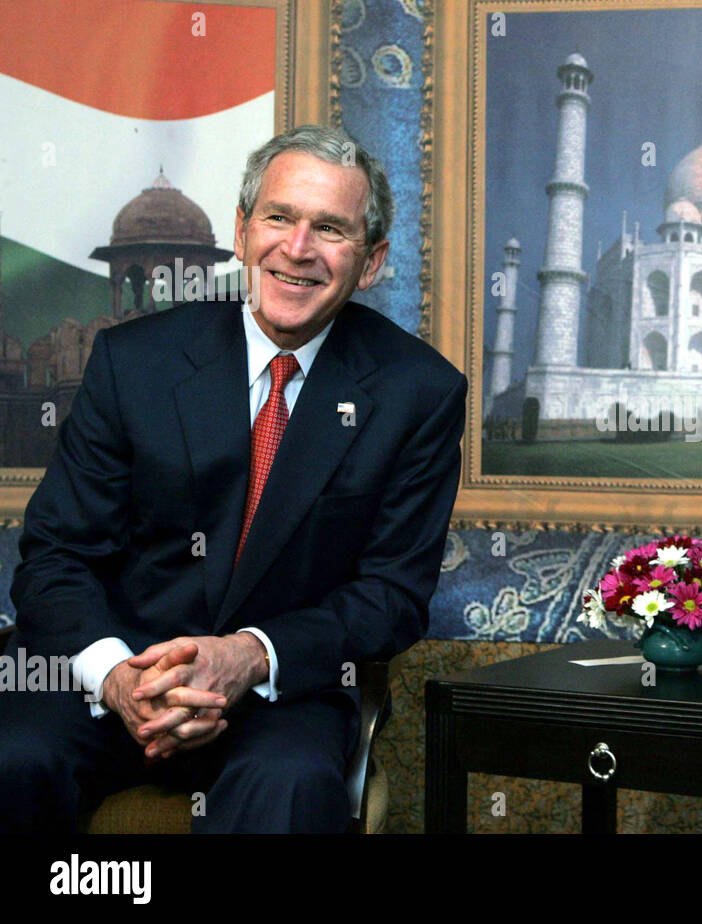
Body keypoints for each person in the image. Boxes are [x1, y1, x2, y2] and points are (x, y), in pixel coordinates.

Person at [0, 125, 468, 833]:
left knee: (291, 788)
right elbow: (55, 557)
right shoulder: (133, 362)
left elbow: (392, 596)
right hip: (107, 670)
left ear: (370, 262)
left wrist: (249, 656)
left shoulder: (419, 393)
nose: (299, 248)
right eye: (279, 217)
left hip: (277, 694)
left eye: (331, 229)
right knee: (12, 759)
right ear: (245, 230)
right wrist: (122, 678)